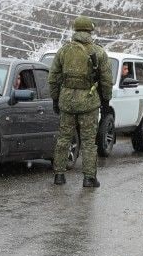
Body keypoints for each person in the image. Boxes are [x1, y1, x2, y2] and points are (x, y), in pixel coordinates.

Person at [48, 16, 113, 188]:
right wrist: (106, 101)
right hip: (89, 103)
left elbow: (53, 78)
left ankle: (59, 175)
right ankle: (89, 178)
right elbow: (106, 80)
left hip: (67, 101)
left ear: (75, 30)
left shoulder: (64, 51)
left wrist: (55, 98)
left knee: (63, 138)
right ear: (90, 31)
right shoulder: (98, 52)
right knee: (88, 141)